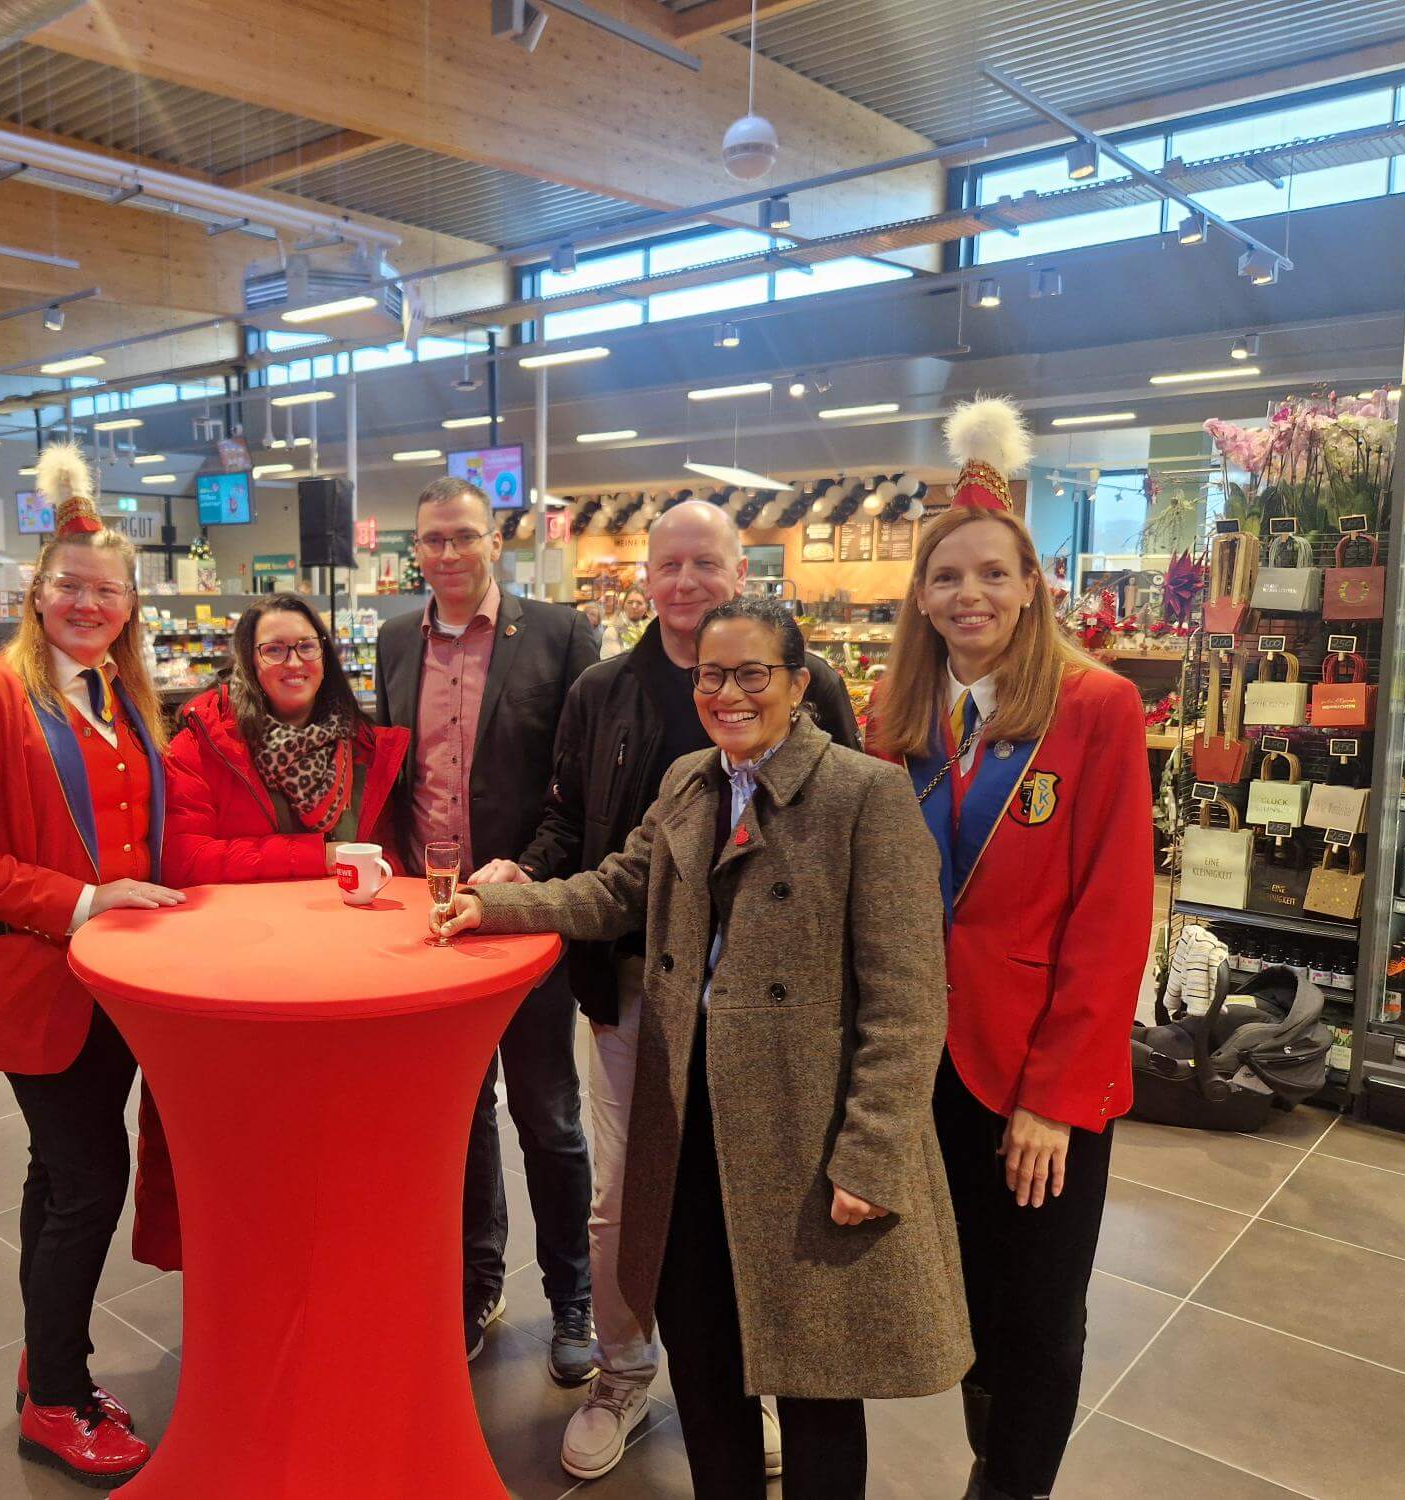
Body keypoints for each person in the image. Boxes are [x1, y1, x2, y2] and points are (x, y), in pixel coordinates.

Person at [438, 597, 971, 1500]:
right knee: (703, 1350)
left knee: (814, 1375)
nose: (729, 693)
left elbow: (908, 999)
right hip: (686, 1111)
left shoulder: (863, 796)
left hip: (804, 1126)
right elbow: (615, 890)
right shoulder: (690, 780)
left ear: (799, 685)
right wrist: (499, 905)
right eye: (711, 676)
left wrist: (873, 1152)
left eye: (752, 673)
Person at [472, 499, 860, 1482]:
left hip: (774, 1004)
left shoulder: (809, 682)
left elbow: (848, 835)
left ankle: (754, 1381)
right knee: (625, 1202)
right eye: (668, 565)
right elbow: (576, 830)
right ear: (644, 579)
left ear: (741, 572)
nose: (685, 582)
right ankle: (622, 1373)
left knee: (757, 1194)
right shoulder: (604, 691)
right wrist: (520, 878)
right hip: (637, 987)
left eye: (704, 563)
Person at [869, 398, 1153, 1500]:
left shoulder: (1097, 707)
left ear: (1033, 583)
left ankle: (1012, 1484)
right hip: (921, 1058)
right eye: (946, 577)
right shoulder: (896, 713)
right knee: (960, 1294)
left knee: (1036, 1311)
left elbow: (1111, 919)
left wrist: (1055, 1099)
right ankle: (993, 1451)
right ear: (921, 596)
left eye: (994, 573)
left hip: (1036, 1067)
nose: (970, 594)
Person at [0, 444, 179, 1488]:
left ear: (130, 606)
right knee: (89, 1181)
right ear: (36, 590)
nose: (88, 606)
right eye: (71, 587)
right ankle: (57, 1399)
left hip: (114, 990)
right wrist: (82, 903)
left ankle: (43, 1361)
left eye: (108, 592)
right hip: (35, 984)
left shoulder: (124, 696)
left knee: (58, 1174)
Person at [374, 474, 601, 1382]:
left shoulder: (559, 634)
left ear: (495, 542)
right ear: (415, 550)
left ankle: (574, 1295)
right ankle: (478, 1283)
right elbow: (396, 771)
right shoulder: (396, 639)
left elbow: (577, 782)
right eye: (432, 539)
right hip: (433, 919)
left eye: (464, 536)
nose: (448, 554)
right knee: (462, 1112)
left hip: (524, 912)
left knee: (549, 1113)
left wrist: (529, 871)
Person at [127, 594, 410, 1267]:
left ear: (326, 654)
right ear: (249, 662)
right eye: (274, 649)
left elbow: (391, 854)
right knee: (247, 1151)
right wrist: (317, 858)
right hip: (242, 978)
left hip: (348, 982)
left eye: (306, 646)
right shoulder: (203, 741)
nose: (293, 662)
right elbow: (187, 860)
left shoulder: (364, 745)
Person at [615, 586, 651, 651]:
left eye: (639, 603)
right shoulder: (613, 630)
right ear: (623, 605)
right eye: (630, 602)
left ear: (646, 607)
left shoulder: (653, 630)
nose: (634, 606)